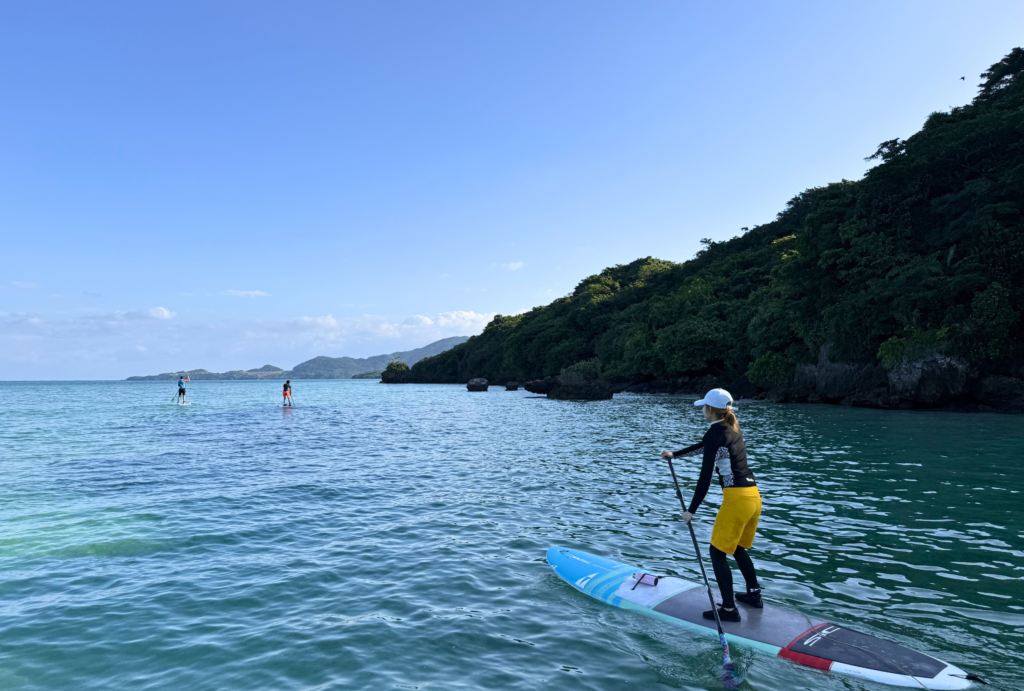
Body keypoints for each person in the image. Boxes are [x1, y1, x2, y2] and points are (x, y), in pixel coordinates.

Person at [661, 388, 762, 623]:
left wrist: (691, 510)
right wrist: (675, 454)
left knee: (717, 552)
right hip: (753, 496)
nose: (703, 411)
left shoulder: (715, 433)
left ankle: (728, 610)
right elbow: (706, 447)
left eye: (704, 408)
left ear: (710, 410)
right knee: (735, 547)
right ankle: (754, 595)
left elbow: (705, 477)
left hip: (737, 499)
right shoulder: (731, 428)